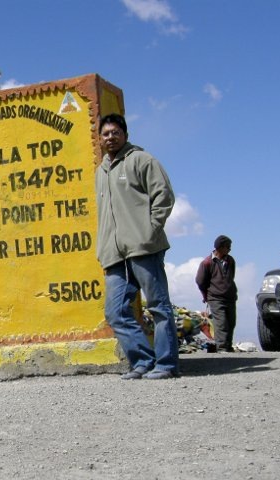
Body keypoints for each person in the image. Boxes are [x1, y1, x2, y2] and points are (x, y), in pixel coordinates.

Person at [95, 113, 180, 380]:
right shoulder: (101, 171)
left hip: (144, 247)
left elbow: (163, 195)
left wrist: (150, 230)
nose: (110, 137)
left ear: (125, 135)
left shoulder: (142, 160)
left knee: (158, 305)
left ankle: (166, 364)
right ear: (99, 138)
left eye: (115, 132)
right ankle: (142, 360)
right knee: (115, 311)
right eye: (106, 133)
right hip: (114, 253)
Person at [195, 235, 237, 352]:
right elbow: (200, 281)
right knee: (221, 324)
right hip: (215, 298)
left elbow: (230, 277)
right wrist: (206, 295)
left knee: (231, 323)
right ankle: (222, 348)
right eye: (227, 247)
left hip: (230, 297)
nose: (229, 249)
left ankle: (228, 346)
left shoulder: (230, 260)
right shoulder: (207, 262)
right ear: (220, 247)